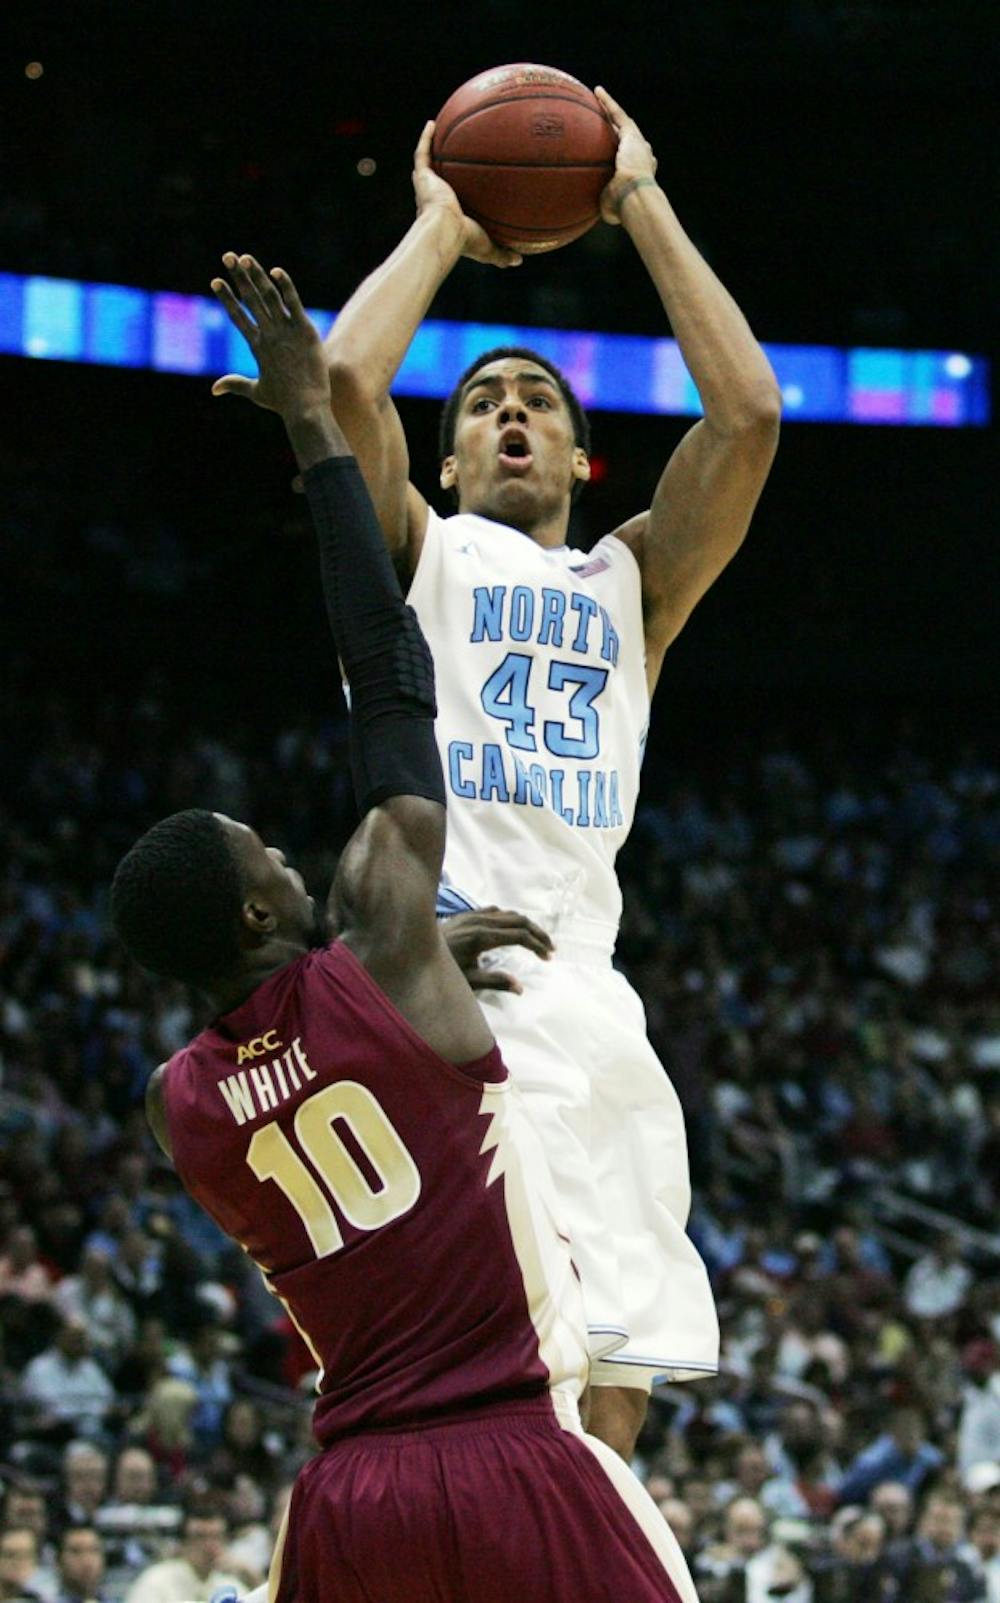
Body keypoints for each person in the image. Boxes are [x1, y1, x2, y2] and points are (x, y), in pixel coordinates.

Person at [111, 256, 698, 1603]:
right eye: (266, 851)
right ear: (264, 906)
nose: (284, 847)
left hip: (350, 1495)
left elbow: (301, 1045)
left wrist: (415, 966)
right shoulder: (382, 942)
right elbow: (387, 665)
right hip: (508, 1456)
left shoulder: (179, 1105)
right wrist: (321, 429)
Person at [306, 79, 782, 1457]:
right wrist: (444, 223)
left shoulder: (632, 578)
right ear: (446, 460)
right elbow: (340, 387)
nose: (510, 415)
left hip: (581, 985)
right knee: (456, 1372)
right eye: (481, 405)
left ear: (582, 451)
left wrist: (636, 195)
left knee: (612, 1377)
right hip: (438, 973)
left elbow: (747, 416)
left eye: (537, 402)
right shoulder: (419, 554)